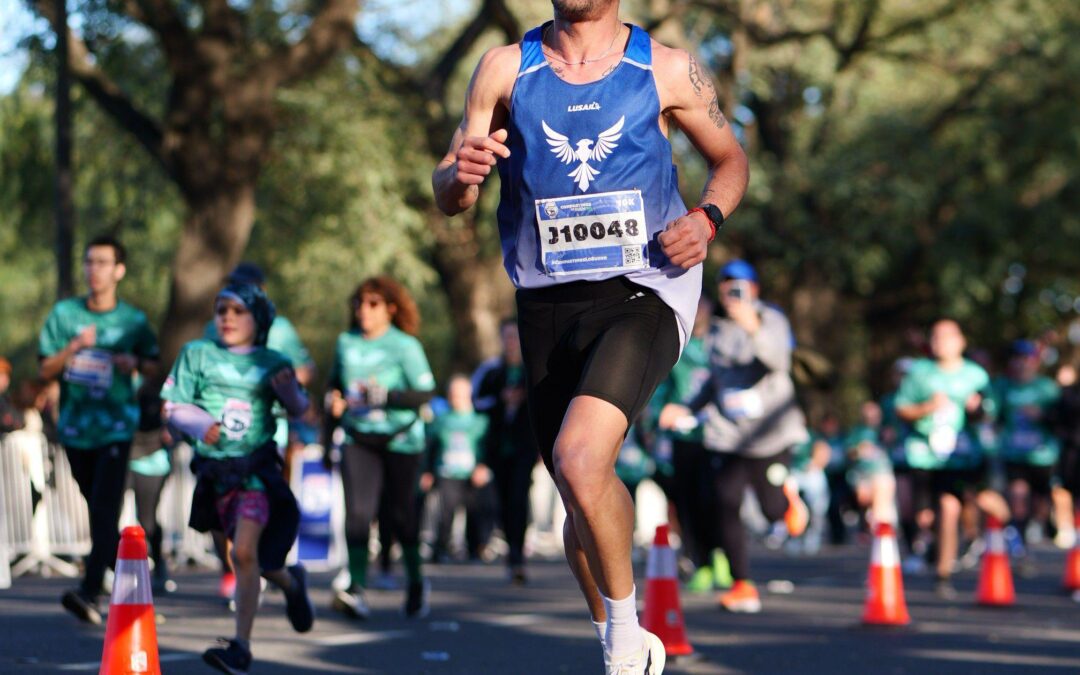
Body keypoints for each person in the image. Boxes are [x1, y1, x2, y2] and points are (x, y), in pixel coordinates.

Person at [432, 0, 748, 669]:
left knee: (580, 458)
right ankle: (623, 636)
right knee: (577, 487)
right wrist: (458, 176)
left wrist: (708, 218)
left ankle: (624, 643)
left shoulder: (666, 69)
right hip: (545, 297)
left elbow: (731, 160)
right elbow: (450, 190)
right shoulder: (502, 69)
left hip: (646, 286)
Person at [162, 283, 314, 674]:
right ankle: (292, 585)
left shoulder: (273, 361)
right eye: (221, 310)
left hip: (255, 471)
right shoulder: (197, 354)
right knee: (249, 558)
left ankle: (241, 647)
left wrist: (292, 397)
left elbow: (301, 409)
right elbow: (173, 406)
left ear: (258, 320)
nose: (227, 318)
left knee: (243, 552)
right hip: (214, 474)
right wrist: (197, 422)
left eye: (238, 311)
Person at [659, 259, 809, 614]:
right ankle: (743, 584)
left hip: (769, 434)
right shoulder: (718, 331)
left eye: (739, 286)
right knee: (724, 502)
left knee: (772, 511)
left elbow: (779, 362)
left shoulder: (772, 319)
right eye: (725, 287)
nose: (731, 293)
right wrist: (687, 408)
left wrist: (753, 327)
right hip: (729, 436)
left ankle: (786, 502)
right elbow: (714, 381)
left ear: (754, 289)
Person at [38, 235, 160, 624]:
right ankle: (133, 573)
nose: (95, 269)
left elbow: (155, 365)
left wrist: (132, 362)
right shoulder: (65, 315)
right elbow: (44, 369)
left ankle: (89, 591)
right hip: (75, 428)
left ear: (119, 270)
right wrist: (73, 348)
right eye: (90, 262)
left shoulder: (133, 321)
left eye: (103, 262)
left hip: (116, 427)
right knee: (97, 507)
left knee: (105, 506)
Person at [326, 276, 436, 621]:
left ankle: (416, 581)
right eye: (359, 303)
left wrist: (386, 397)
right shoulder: (345, 342)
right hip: (359, 438)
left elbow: (425, 394)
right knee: (358, 513)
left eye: (372, 304)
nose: (364, 311)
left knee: (402, 516)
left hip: (400, 439)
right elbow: (333, 387)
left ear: (390, 308)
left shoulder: (405, 346)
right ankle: (356, 587)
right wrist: (333, 401)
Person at [894, 318, 1010, 599]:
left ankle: (950, 567)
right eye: (934, 337)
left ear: (960, 342)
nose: (940, 342)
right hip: (927, 457)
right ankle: (942, 564)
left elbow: (991, 414)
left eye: (946, 337)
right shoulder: (920, 372)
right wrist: (927, 408)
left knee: (961, 505)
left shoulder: (975, 375)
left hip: (965, 458)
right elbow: (901, 408)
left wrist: (977, 408)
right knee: (928, 514)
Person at [648, 296, 728, 590]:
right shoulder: (675, 343)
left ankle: (722, 555)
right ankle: (701, 561)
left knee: (717, 498)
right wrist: (659, 415)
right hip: (683, 436)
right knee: (686, 502)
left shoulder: (722, 342)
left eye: (704, 305)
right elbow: (660, 387)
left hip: (718, 435)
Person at [472, 319, 540, 584]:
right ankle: (509, 544)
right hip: (499, 448)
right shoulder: (491, 371)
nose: (511, 342)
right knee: (501, 499)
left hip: (524, 447)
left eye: (515, 337)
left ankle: (517, 555)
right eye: (507, 337)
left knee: (518, 497)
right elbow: (476, 401)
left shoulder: (531, 369)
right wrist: (501, 400)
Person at [992, 340, 1063, 551]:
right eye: (1017, 359)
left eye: (1026, 359)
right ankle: (1019, 537)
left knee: (1041, 498)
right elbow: (993, 416)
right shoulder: (1003, 386)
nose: (1022, 364)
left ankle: (1041, 520)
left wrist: (1043, 416)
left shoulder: (1047, 388)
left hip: (1043, 455)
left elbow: (1062, 418)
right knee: (1018, 493)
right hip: (1013, 453)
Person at [421, 374, 492, 563]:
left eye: (460, 394)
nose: (456, 398)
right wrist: (427, 472)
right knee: (445, 512)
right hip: (447, 472)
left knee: (476, 512)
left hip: (471, 473)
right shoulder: (441, 421)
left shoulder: (480, 421)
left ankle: (476, 549)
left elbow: (488, 448)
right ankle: (441, 549)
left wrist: (483, 466)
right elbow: (430, 447)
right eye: (453, 394)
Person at [127, 387, 176, 593]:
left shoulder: (158, 387)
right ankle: (111, 569)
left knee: (146, 520)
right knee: (107, 515)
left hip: (151, 461)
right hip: (122, 457)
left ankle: (159, 568)